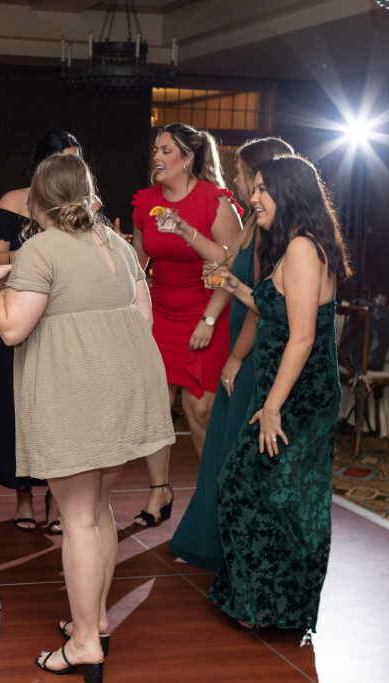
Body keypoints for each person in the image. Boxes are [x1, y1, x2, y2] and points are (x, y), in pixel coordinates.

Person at [0, 153, 174, 680]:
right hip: (125, 387)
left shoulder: (39, 249)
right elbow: (144, 315)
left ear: (37, 201)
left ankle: (86, 641)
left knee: (79, 519)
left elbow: (13, 329)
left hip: (77, 392)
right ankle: (97, 620)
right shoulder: (115, 242)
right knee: (100, 508)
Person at [211, 154, 350, 634]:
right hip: (285, 390)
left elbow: (304, 336)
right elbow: (276, 308)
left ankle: (273, 604)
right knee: (273, 493)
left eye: (263, 189)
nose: (254, 197)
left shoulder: (303, 250)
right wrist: (234, 285)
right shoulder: (294, 247)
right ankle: (268, 602)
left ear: (288, 194)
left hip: (298, 396)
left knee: (263, 490)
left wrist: (272, 407)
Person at [168, 136, 294, 571]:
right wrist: (191, 239)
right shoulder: (249, 222)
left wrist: (237, 358)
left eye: (242, 172)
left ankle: (237, 547)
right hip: (237, 331)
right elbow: (227, 262)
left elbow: (263, 304)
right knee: (222, 443)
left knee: (238, 448)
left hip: (252, 344)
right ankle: (218, 538)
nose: (237, 180)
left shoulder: (272, 231)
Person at [129, 123, 242, 528]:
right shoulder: (145, 202)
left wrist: (209, 319)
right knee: (157, 409)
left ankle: (215, 495)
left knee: (201, 408)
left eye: (165, 151)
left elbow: (231, 265)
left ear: (188, 158)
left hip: (209, 310)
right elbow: (138, 268)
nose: (156, 157)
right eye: (155, 150)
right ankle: (159, 490)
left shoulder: (216, 202)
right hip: (160, 314)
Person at [0, 128, 82, 533]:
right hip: (17, 312)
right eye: (65, 160)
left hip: (61, 318)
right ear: (42, 165)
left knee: (57, 412)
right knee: (18, 408)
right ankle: (23, 496)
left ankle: (57, 496)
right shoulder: (12, 202)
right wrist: (41, 245)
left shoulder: (85, 208)